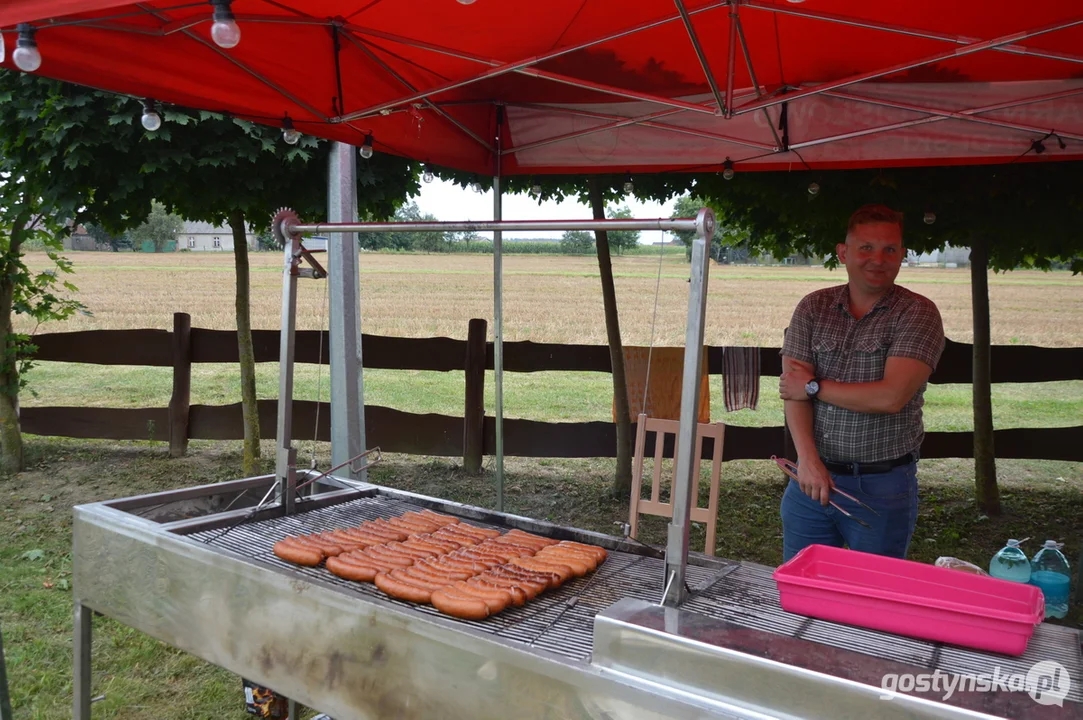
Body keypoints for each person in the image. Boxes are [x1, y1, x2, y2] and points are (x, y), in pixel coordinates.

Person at [778, 204, 944, 562]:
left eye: (889, 249)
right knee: (801, 587)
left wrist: (814, 387)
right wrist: (807, 461)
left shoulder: (918, 312)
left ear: (902, 254)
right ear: (843, 252)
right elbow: (792, 390)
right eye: (866, 247)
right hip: (809, 476)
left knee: (875, 594)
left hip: (882, 485)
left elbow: (891, 396)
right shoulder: (813, 307)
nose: (878, 259)